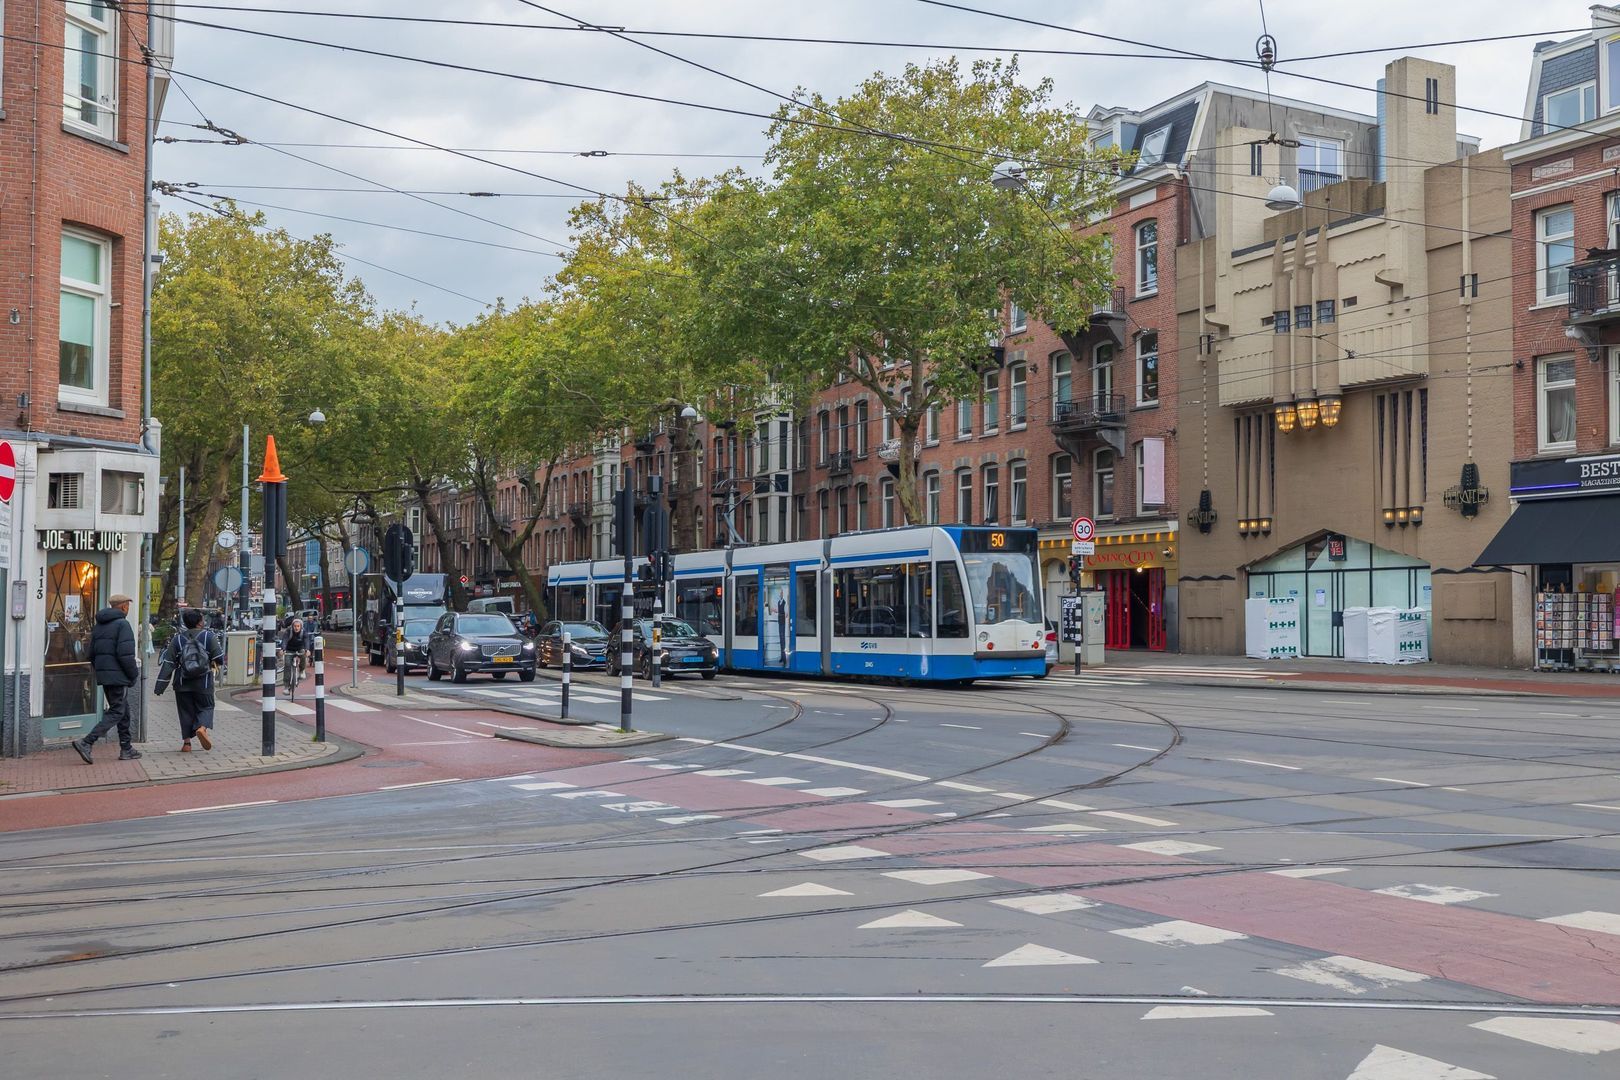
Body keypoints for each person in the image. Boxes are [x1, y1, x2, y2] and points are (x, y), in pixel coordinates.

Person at [71, 593, 141, 764]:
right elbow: (125, 655)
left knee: (123, 711)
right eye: (127, 605)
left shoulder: (99, 626)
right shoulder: (122, 624)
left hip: (106, 675)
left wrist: (102, 672)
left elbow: (91, 654)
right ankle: (86, 742)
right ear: (123, 606)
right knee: (117, 711)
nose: (128, 608)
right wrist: (133, 675)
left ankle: (126, 748)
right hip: (119, 676)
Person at [154, 609, 226, 752]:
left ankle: (187, 744)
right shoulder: (208, 637)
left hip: (182, 682)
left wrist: (159, 687)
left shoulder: (178, 639)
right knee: (206, 707)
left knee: (185, 711)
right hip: (203, 681)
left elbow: (168, 663)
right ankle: (201, 728)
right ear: (200, 622)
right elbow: (219, 659)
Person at [279, 616, 310, 692]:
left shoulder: (304, 632)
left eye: (298, 626)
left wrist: (307, 650)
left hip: (300, 649)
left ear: (301, 626)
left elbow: (306, 641)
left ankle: (302, 670)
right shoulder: (288, 631)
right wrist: (283, 649)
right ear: (292, 626)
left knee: (303, 656)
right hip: (289, 650)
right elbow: (285, 640)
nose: (296, 628)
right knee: (287, 665)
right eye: (295, 626)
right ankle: (286, 687)